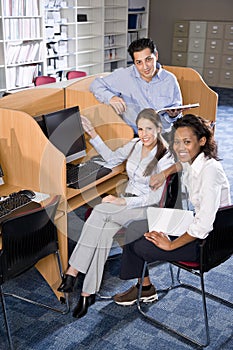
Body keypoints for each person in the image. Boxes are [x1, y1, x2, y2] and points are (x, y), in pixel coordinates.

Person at [57, 108, 175, 318]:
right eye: (140, 129)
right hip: (126, 205)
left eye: (149, 129)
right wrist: (93, 134)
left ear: (158, 129)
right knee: (101, 231)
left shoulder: (164, 157)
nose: (144, 134)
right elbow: (112, 159)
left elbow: (154, 198)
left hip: (146, 209)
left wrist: (122, 201)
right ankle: (87, 293)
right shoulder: (135, 145)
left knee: (101, 210)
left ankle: (73, 270)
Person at [113, 114, 231, 306]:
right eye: (177, 141)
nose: (180, 147)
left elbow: (202, 227)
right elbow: (181, 163)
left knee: (139, 245)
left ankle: (144, 288)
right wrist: (164, 173)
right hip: (200, 224)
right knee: (133, 229)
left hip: (209, 243)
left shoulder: (210, 172)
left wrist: (170, 245)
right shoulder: (197, 161)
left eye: (187, 142)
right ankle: (145, 288)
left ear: (202, 141)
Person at [90, 37, 183, 135]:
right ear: (134, 62)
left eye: (148, 59)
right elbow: (96, 85)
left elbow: (177, 115)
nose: (145, 67)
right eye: (139, 62)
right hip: (137, 136)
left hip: (165, 134)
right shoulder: (124, 76)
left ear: (156, 56)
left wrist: (173, 116)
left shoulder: (170, 79)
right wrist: (111, 98)